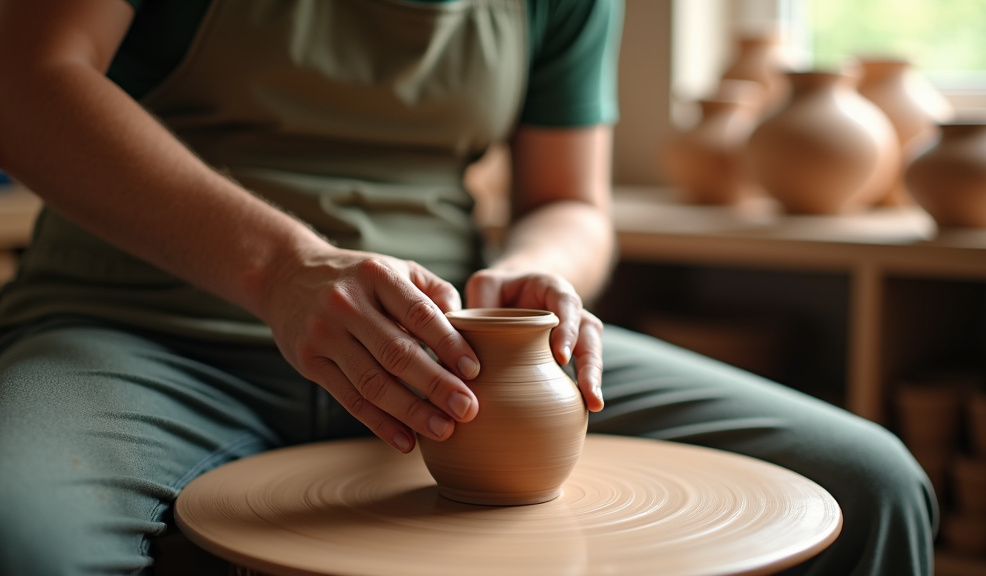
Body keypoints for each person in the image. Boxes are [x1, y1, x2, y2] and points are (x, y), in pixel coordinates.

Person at [0, 0, 936, 574]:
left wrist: (547, 276)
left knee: (871, 485)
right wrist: (282, 269)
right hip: (141, 321)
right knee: (19, 540)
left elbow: (570, 199)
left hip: (447, 349)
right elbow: (27, 83)